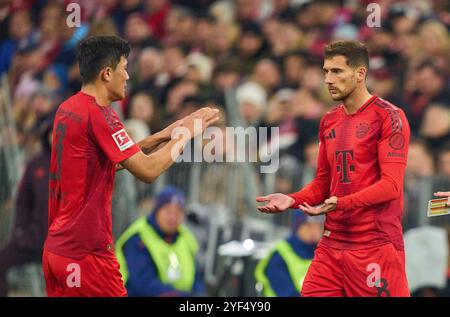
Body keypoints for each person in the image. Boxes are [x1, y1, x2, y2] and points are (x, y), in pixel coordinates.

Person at [42, 36, 219, 297]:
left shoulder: (67, 109)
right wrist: (186, 136)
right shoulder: (101, 115)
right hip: (87, 256)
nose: (127, 76)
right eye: (124, 68)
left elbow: (99, 167)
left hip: (56, 251)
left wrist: (165, 135)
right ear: (106, 73)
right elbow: (147, 171)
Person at [256, 40, 411, 297]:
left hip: (374, 245)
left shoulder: (389, 117)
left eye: (337, 71)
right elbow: (323, 183)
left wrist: (341, 203)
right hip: (331, 244)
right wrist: (292, 199)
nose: (328, 79)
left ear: (360, 74)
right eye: (326, 71)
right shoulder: (330, 120)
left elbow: (391, 186)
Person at [115, 186, 204, 296]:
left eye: (177, 213)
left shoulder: (185, 236)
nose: (172, 217)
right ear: (157, 210)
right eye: (168, 211)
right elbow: (143, 285)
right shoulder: (139, 236)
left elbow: (197, 278)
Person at [0, 118, 52, 297]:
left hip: (62, 242)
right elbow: (22, 202)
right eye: (53, 133)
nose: (56, 138)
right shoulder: (35, 164)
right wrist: (20, 230)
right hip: (33, 237)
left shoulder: (76, 163)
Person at [255, 213, 324, 297]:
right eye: (308, 225)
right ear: (298, 226)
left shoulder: (323, 254)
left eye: (320, 226)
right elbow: (287, 293)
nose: (315, 231)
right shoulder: (280, 255)